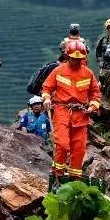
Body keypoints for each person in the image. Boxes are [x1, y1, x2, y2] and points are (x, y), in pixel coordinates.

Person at [41, 39, 101, 184]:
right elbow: (47, 87)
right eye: (74, 58)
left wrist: (92, 107)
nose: (76, 61)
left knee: (79, 148)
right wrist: (47, 99)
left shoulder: (88, 73)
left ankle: (75, 178)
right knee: (62, 144)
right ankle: (57, 174)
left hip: (81, 114)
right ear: (67, 57)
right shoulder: (58, 70)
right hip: (62, 110)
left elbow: (95, 93)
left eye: (79, 59)